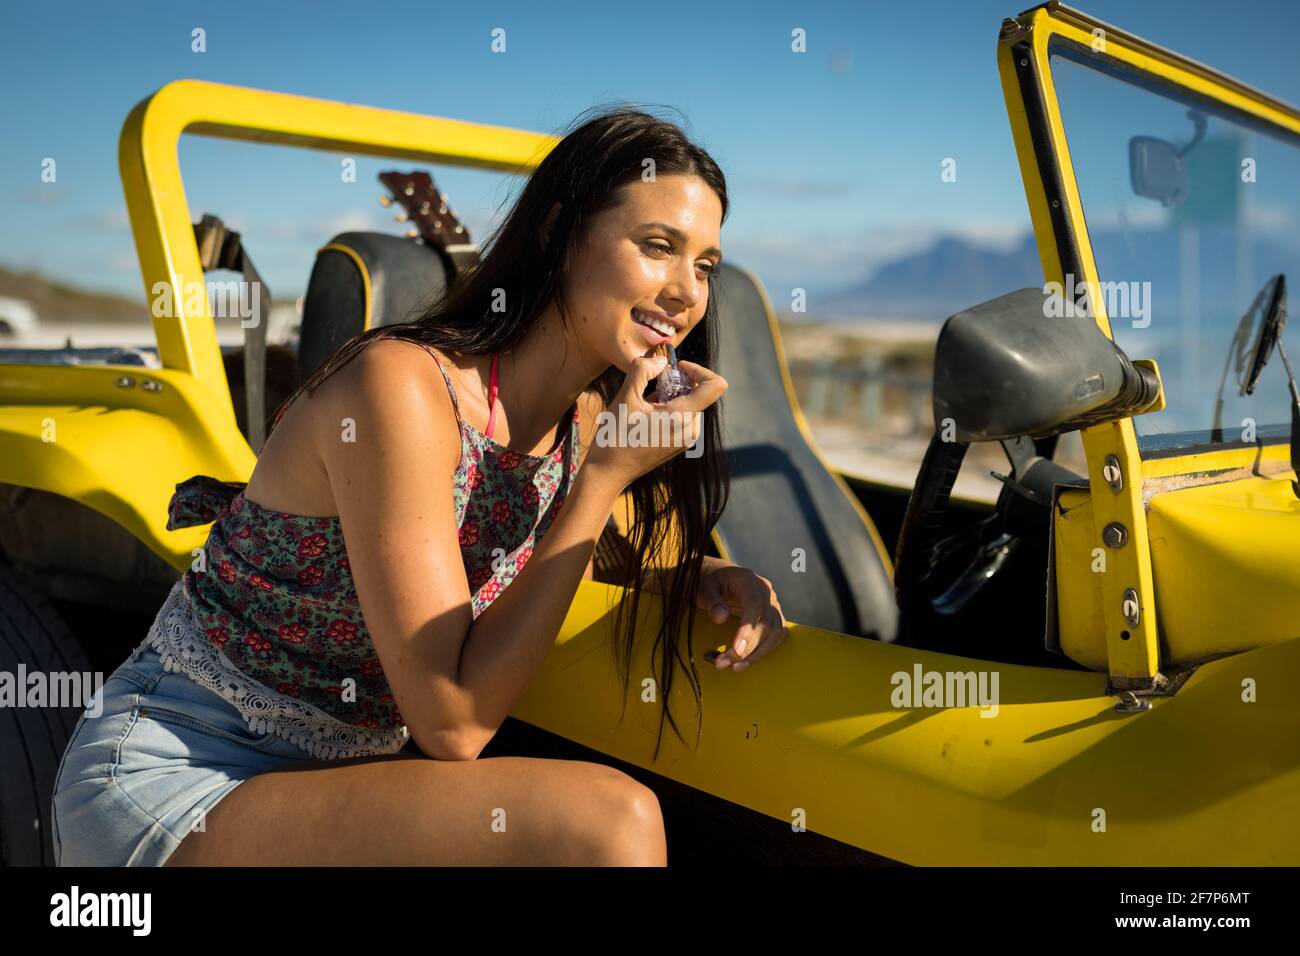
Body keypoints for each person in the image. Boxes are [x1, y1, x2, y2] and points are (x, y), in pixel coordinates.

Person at [50, 104, 790, 867]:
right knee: (615, 823)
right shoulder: (401, 389)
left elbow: (574, 558)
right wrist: (605, 477)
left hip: (348, 781)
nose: (685, 291)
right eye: (658, 246)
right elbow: (454, 723)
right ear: (561, 233)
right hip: (186, 771)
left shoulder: (588, 416)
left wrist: (709, 575)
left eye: (704, 265)